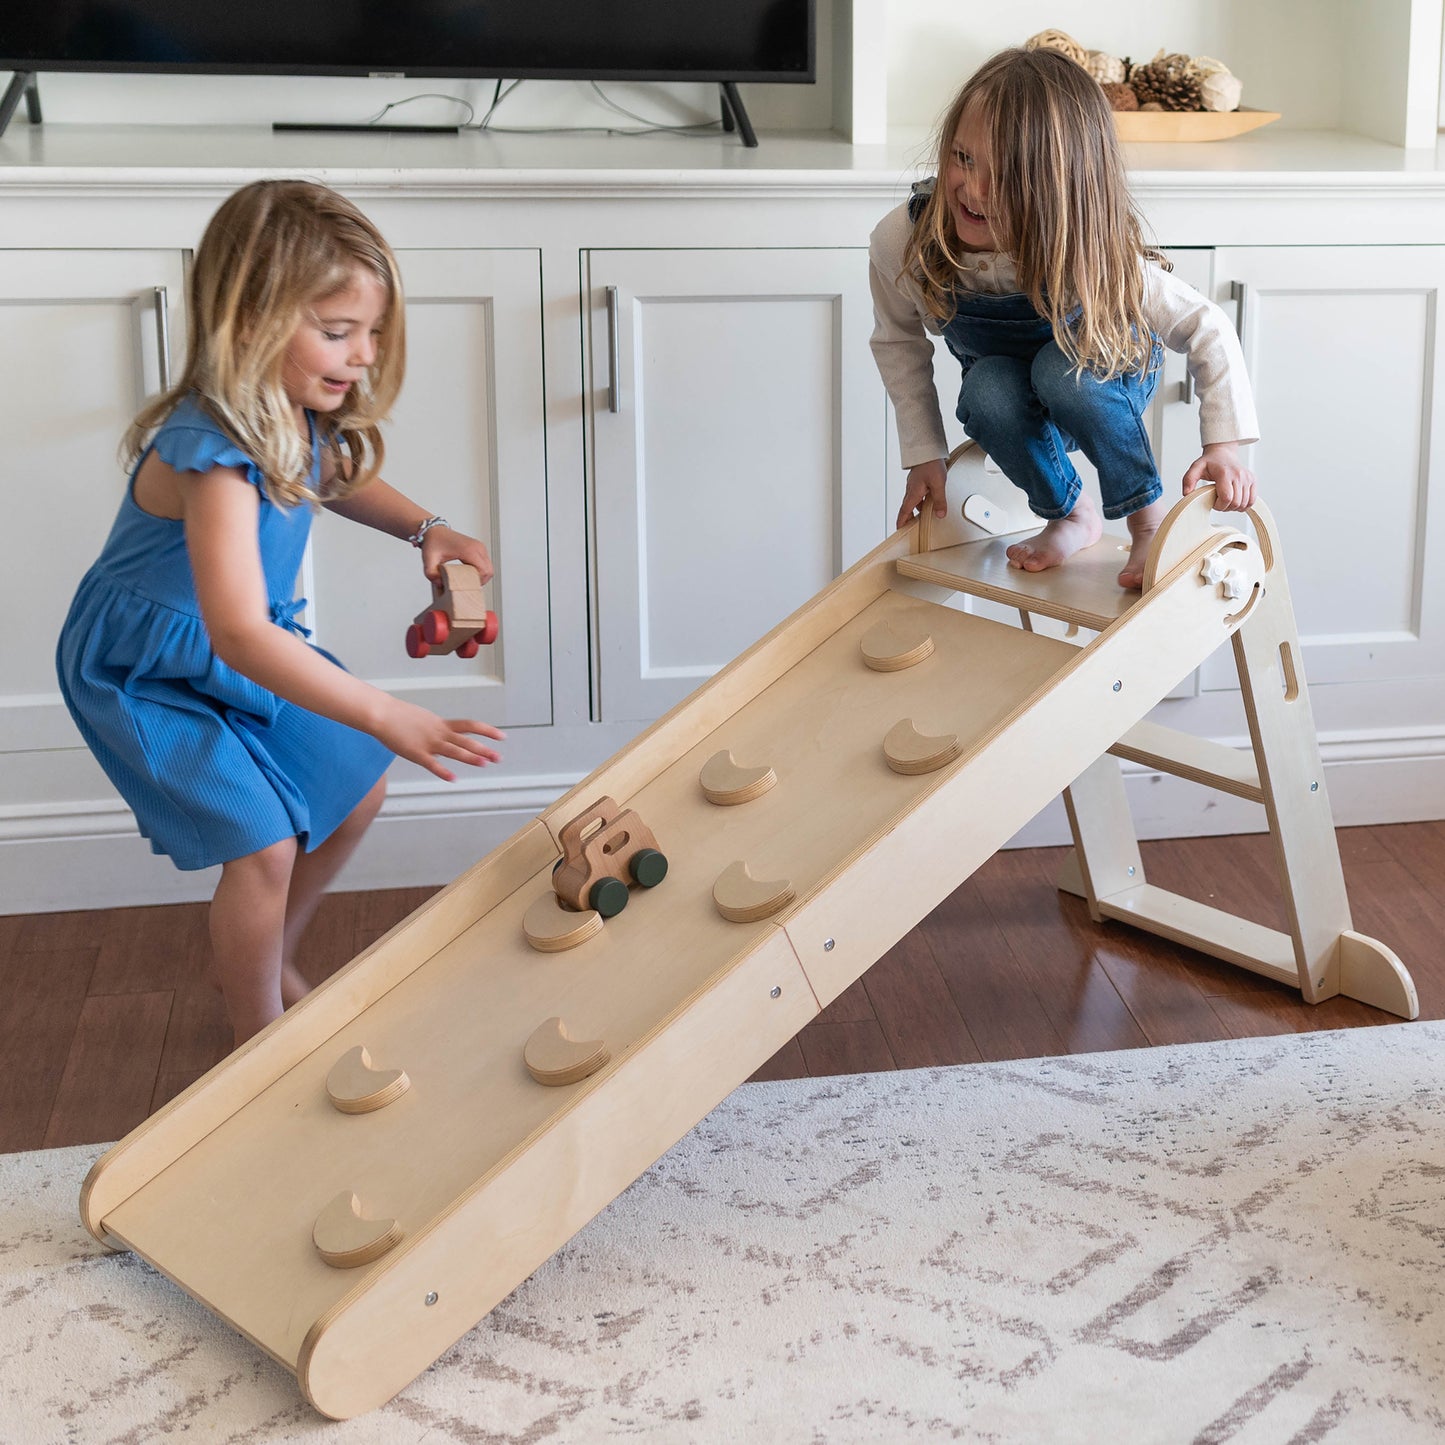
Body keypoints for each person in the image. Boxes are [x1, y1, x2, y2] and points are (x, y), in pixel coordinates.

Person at [56, 179, 505, 1049]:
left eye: (370, 332)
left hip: (238, 648)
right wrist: (384, 707)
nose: (363, 354)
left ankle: (261, 956)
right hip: (149, 671)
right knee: (262, 847)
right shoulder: (210, 447)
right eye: (336, 332)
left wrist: (429, 528)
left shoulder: (296, 415)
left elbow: (336, 477)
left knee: (357, 782)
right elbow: (235, 629)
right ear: (250, 321)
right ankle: (254, 1039)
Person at [869, 46, 1260, 590]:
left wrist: (1224, 447)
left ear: (1059, 191)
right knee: (984, 389)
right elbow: (897, 342)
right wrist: (923, 454)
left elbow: (1207, 326)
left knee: (1061, 369)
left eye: (1004, 175)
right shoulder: (904, 241)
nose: (973, 189)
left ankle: (1148, 522)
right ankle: (1072, 515)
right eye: (963, 158)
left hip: (1106, 374)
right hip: (1024, 395)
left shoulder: (1089, 252)